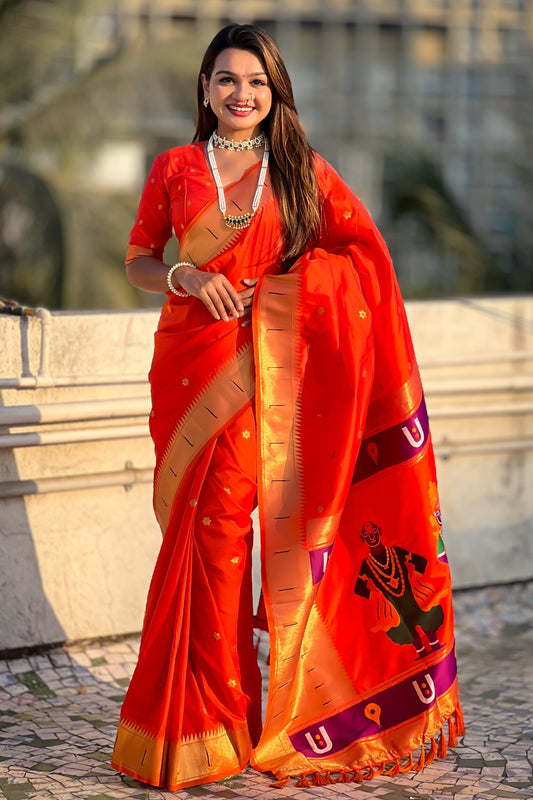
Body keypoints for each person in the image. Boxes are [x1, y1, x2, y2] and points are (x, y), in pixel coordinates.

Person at [111, 23, 463, 791]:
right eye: (227, 79)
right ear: (204, 88)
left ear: (275, 96)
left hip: (265, 385)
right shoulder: (174, 166)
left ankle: (222, 716)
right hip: (186, 371)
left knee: (223, 531)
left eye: (257, 83)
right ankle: (201, 724)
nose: (241, 94)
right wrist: (181, 279)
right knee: (196, 543)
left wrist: (284, 296)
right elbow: (139, 257)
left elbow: (361, 258)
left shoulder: (301, 171)